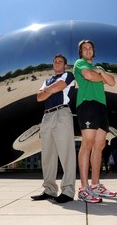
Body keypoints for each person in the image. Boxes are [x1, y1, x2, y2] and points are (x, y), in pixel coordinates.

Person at [74, 39, 116, 203]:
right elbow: (89, 76)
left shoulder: (100, 68)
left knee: (100, 145)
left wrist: (101, 73)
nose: (87, 50)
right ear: (81, 52)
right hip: (87, 103)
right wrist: (101, 76)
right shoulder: (80, 63)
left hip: (101, 106)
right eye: (84, 48)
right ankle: (84, 188)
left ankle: (96, 185)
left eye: (90, 48)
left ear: (93, 51)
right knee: (88, 142)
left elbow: (112, 82)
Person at [30, 54, 76, 204]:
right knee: (48, 155)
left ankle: (68, 191)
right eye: (55, 61)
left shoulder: (68, 75)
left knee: (66, 153)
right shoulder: (47, 80)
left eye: (60, 61)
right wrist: (52, 89)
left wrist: (47, 91)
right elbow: (38, 97)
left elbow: (59, 87)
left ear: (64, 65)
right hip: (47, 117)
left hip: (62, 113)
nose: (57, 63)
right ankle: (49, 190)